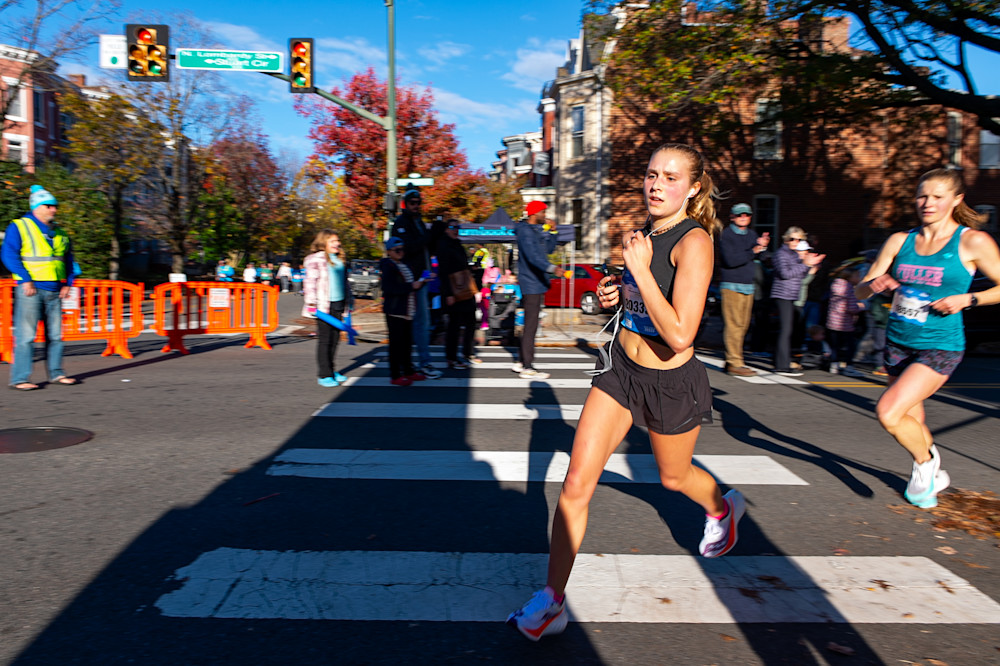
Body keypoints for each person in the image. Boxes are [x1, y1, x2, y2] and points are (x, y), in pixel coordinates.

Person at [507, 143, 745, 641]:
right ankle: (553, 601)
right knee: (575, 483)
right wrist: (612, 292)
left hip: (670, 381)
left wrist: (637, 272)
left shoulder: (694, 242)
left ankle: (723, 508)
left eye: (671, 177)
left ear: (693, 187)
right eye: (652, 174)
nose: (657, 184)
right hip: (619, 370)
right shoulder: (642, 237)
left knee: (674, 478)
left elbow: (681, 332)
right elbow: (638, 300)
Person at [855, 168, 1000, 509]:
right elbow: (861, 289)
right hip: (898, 341)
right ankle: (929, 471)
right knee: (911, 420)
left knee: (889, 412)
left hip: (941, 344)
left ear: (956, 199)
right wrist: (874, 284)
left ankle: (926, 464)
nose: (928, 203)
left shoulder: (972, 241)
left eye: (937, 197)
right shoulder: (900, 241)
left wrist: (968, 299)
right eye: (922, 196)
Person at [2, 185, 79, 390]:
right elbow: (9, 255)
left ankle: (57, 374)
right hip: (31, 289)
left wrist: (67, 282)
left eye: (54, 206)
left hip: (55, 290)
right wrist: (25, 280)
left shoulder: (60, 232)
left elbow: (68, 260)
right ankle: (20, 379)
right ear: (36, 207)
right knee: (26, 337)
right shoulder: (20, 226)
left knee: (55, 336)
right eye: (49, 206)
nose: (53, 209)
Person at [390, 188, 441, 379]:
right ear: (405, 204)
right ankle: (420, 363)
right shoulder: (402, 223)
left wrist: (435, 234)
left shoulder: (417, 222)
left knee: (418, 322)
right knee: (418, 323)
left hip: (421, 276)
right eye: (413, 203)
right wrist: (429, 235)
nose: (416, 206)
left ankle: (413, 364)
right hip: (412, 278)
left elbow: (426, 248)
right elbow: (408, 248)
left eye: (418, 203)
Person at [718, 202, 769, 376]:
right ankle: (735, 363)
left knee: (743, 326)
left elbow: (760, 256)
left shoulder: (752, 234)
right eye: (740, 215)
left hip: (748, 285)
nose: (743, 217)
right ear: (732, 217)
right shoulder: (727, 234)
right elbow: (730, 260)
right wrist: (753, 250)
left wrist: (763, 246)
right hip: (731, 286)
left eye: (746, 215)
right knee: (733, 326)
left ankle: (732, 360)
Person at [512, 200, 558, 379]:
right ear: (534, 213)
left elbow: (547, 250)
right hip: (530, 283)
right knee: (531, 325)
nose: (545, 216)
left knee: (530, 324)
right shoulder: (524, 231)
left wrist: (553, 232)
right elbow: (533, 258)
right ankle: (527, 366)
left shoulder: (534, 231)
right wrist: (553, 269)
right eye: (543, 212)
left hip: (536, 282)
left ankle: (521, 361)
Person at [770, 228, 825, 376]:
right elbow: (785, 273)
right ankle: (781, 365)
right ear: (786, 239)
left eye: (799, 240)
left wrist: (811, 265)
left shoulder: (793, 255)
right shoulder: (781, 254)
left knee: (789, 331)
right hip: (782, 295)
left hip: (792, 295)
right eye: (792, 239)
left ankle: (782, 361)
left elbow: (800, 275)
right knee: (786, 330)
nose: (796, 242)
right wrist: (805, 265)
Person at [303, 230, 353, 387]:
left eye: (337, 241)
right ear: (323, 242)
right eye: (332, 241)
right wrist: (311, 303)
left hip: (339, 303)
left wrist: (349, 304)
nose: (337, 244)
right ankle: (324, 374)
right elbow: (310, 282)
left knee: (335, 339)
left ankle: (331, 370)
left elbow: (345, 284)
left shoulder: (340, 259)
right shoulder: (314, 259)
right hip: (323, 306)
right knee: (326, 340)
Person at [380, 237, 430, 386]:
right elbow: (389, 289)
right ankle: (395, 375)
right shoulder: (388, 266)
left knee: (407, 343)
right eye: (397, 250)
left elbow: (410, 286)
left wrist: (421, 282)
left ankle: (408, 370)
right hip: (395, 311)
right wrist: (412, 286)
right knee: (396, 345)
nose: (401, 252)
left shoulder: (403, 265)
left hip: (407, 310)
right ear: (389, 252)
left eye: (402, 249)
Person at [436, 219, 480, 368]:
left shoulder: (458, 244)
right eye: (453, 227)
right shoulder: (443, 244)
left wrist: (471, 268)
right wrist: (448, 294)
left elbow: (461, 264)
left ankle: (467, 353)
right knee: (454, 325)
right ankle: (451, 357)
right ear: (446, 229)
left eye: (458, 227)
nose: (456, 230)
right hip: (453, 289)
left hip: (465, 287)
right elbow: (443, 270)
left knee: (470, 322)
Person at [825, 265, 864, 377]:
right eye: (857, 275)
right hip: (845, 323)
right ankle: (849, 367)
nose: (859, 277)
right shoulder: (849, 289)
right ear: (849, 277)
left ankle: (834, 364)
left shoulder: (835, 285)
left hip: (832, 321)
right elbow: (851, 308)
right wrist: (861, 307)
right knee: (850, 345)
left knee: (835, 345)